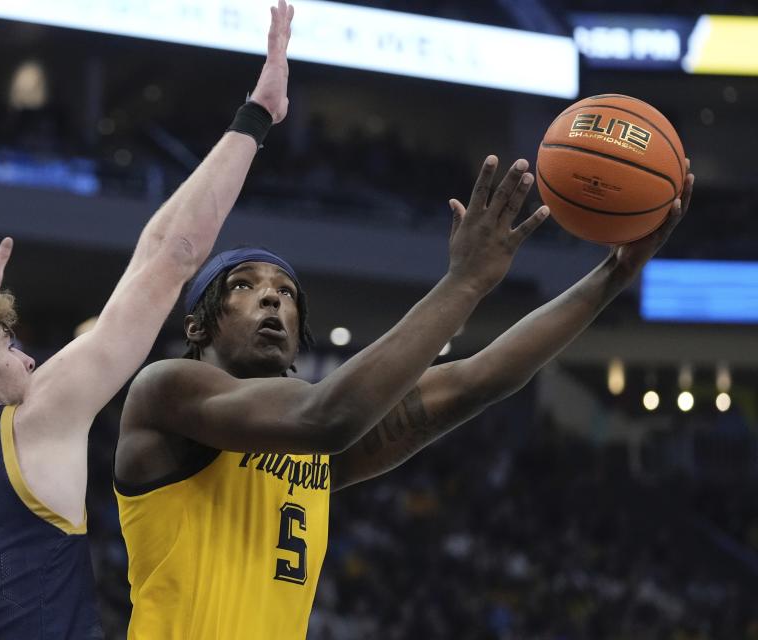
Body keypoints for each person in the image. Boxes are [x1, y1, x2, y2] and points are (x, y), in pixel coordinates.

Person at [112, 155, 694, 639]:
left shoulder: (305, 447)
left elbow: (477, 380)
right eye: (244, 286)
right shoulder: (166, 390)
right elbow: (327, 415)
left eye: (286, 293)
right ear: (196, 327)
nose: (272, 300)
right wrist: (464, 282)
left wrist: (613, 275)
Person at [0, 3, 296, 637]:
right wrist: (256, 115)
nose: (28, 359)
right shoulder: (35, 422)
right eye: (8, 349)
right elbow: (170, 254)